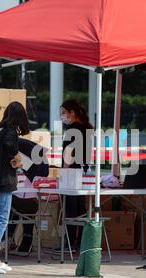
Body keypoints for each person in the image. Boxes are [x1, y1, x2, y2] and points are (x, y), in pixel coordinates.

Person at [0, 101, 30, 274]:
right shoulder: (10, 132)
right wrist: (17, 158)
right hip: (4, 180)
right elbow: (10, 146)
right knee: (2, 220)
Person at [60, 100, 93, 251]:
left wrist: (64, 173)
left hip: (72, 172)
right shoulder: (86, 128)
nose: (62, 116)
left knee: (70, 209)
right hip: (84, 171)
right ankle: (80, 241)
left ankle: (69, 242)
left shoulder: (72, 129)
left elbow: (69, 153)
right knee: (81, 208)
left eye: (63, 113)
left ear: (72, 113)